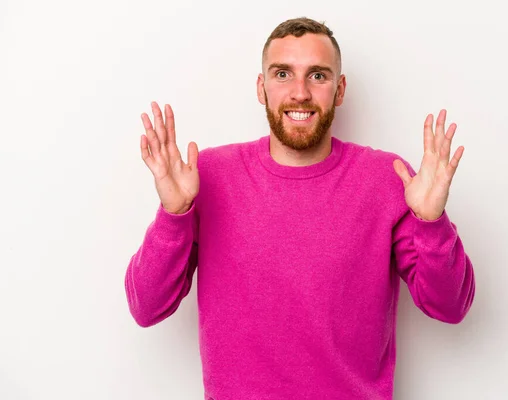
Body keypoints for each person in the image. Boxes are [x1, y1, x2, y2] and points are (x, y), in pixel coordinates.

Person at [124, 16, 475, 400]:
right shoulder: (206, 176)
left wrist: (431, 222)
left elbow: (451, 306)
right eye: (282, 74)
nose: (300, 93)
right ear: (261, 88)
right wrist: (174, 215)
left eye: (318, 76)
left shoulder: (387, 179)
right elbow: (147, 307)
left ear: (340, 90)